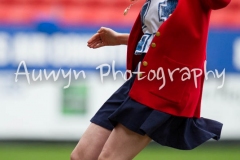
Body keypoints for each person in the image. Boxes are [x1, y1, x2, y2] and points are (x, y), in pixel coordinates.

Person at [71, 0, 231, 159]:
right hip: (140, 80)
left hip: (165, 85)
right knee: (81, 156)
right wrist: (119, 39)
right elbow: (158, 37)